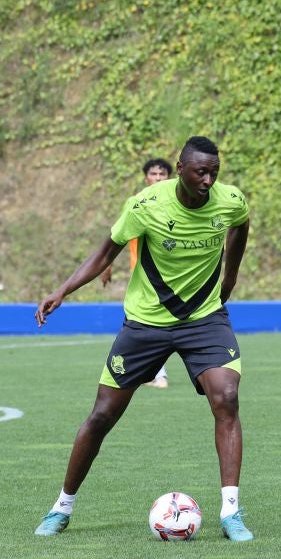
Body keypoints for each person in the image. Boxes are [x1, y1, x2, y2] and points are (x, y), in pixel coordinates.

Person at [33, 136, 254, 541]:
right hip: (146, 323)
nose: (208, 180)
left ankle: (231, 513)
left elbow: (241, 226)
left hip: (204, 318)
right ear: (181, 168)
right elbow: (105, 253)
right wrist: (63, 290)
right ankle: (61, 507)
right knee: (102, 415)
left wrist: (231, 275)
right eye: (200, 172)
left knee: (227, 396)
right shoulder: (146, 205)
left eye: (214, 172)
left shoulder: (230, 200)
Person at [101, 157, 175, 388]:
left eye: (162, 175)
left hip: (168, 278)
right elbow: (119, 236)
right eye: (154, 174)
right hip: (141, 276)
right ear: (146, 177)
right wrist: (107, 265)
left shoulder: (175, 204)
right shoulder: (137, 203)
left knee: (149, 324)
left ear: (170, 177)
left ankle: (156, 374)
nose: (158, 178)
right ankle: (152, 372)